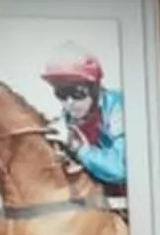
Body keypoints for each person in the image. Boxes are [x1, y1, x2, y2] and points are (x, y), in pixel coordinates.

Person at [41, 50, 127, 206]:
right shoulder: (65, 119)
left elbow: (119, 169)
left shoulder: (117, 107)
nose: (69, 103)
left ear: (95, 90)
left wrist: (79, 150)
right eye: (61, 94)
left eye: (77, 93)